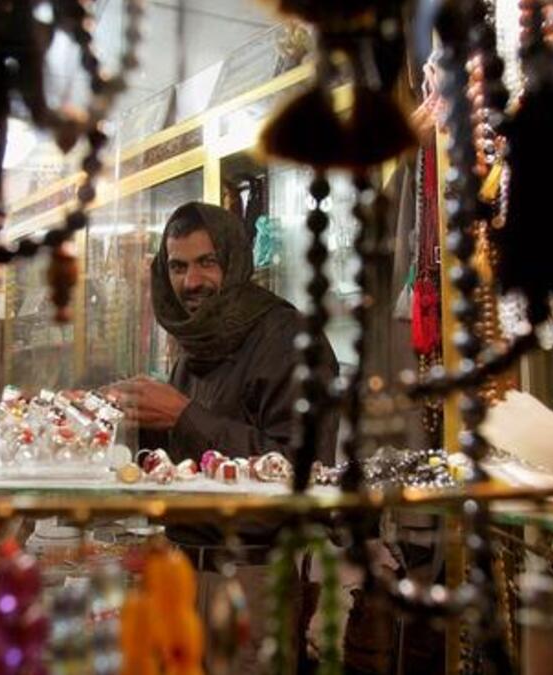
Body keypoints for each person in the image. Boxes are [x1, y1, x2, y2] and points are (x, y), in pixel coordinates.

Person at [110, 201, 339, 673]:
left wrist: (183, 415)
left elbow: (304, 469)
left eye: (206, 262)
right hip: (179, 575)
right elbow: (182, 464)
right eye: (177, 266)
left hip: (249, 578)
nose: (191, 283)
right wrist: (119, 414)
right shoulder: (198, 343)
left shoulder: (289, 337)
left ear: (234, 260)